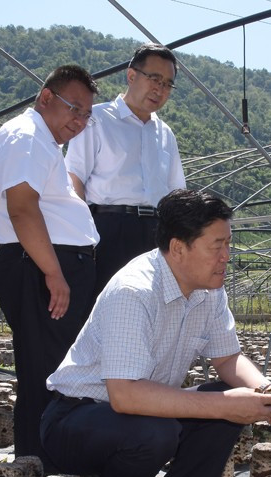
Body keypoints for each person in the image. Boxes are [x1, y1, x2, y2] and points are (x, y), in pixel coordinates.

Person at [41, 189, 271, 477]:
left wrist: (265, 390)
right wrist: (224, 405)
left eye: (228, 244)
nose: (226, 257)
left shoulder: (209, 290)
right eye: (216, 246)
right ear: (178, 248)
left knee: (228, 404)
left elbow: (227, 358)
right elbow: (125, 395)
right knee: (160, 431)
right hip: (78, 419)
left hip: (144, 411)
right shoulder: (134, 291)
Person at [0, 65, 100, 461]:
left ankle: (46, 464)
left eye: (86, 114)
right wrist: (54, 272)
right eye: (74, 108)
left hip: (48, 262)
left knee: (55, 369)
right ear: (46, 98)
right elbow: (22, 206)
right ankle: (41, 467)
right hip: (41, 265)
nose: (79, 121)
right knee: (47, 373)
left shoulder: (43, 143)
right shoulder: (27, 136)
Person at [66, 43, 185, 296]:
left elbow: (177, 194)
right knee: (106, 306)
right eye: (154, 78)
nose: (160, 89)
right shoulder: (96, 119)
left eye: (167, 84)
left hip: (155, 232)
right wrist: (82, 235)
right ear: (131, 75)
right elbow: (74, 177)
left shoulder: (165, 133)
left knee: (152, 310)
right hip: (108, 228)